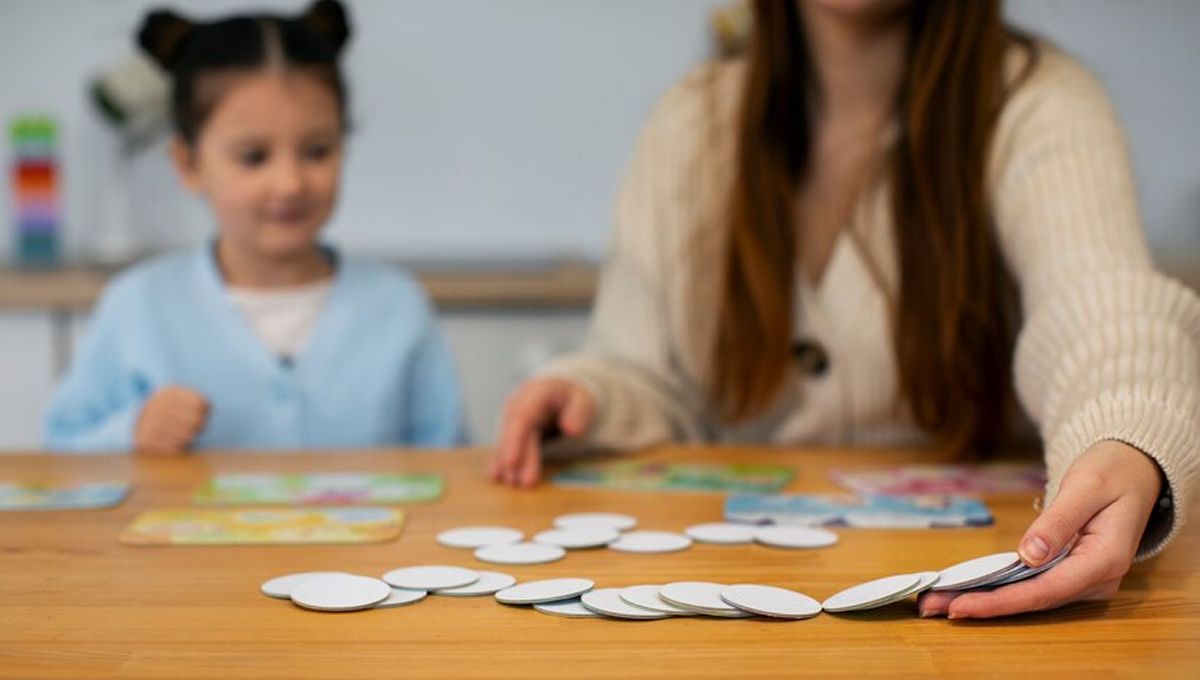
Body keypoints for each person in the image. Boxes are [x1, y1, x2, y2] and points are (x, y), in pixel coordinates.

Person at [492, 0, 1200, 619]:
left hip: (965, 617)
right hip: (742, 598)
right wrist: (589, 395)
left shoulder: (1041, 103)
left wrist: (1125, 436)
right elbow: (645, 376)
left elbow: (1102, 310)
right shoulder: (691, 123)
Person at [46, 0, 463, 452]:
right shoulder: (136, 306)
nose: (289, 183)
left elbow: (452, 460)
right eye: (253, 157)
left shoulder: (398, 305)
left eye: (318, 150)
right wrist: (132, 433)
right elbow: (62, 452)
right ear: (188, 164)